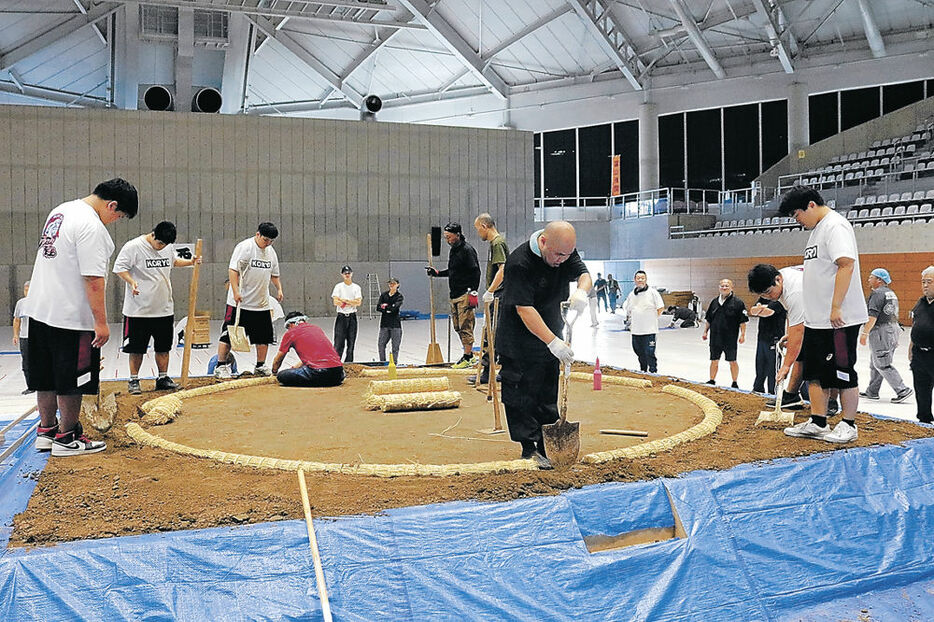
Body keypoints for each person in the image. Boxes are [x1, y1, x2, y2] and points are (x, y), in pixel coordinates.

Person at [23, 178, 138, 456]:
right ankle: (67, 438)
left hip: (38, 309)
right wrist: (100, 323)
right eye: (119, 216)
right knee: (73, 378)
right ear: (112, 205)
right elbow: (93, 279)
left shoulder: (61, 211)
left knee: (46, 376)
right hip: (70, 317)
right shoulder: (92, 227)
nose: (115, 220)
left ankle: (47, 431)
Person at [495, 221, 592, 470]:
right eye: (558, 255)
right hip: (518, 339)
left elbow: (584, 274)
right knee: (521, 395)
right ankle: (529, 447)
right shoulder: (519, 263)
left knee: (546, 391)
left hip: (550, 333)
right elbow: (524, 309)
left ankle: (549, 443)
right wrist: (553, 342)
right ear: (543, 242)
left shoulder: (564, 251)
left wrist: (581, 292)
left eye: (567, 255)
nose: (562, 260)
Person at [777, 185, 868, 443]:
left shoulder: (835, 226)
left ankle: (848, 425)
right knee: (815, 373)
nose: (797, 220)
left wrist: (836, 305)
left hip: (840, 319)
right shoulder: (817, 230)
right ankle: (818, 422)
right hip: (817, 320)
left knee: (841, 371)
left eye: (797, 215)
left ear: (811, 205)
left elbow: (846, 264)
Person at [112, 221, 201, 395]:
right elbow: (119, 268)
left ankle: (162, 378)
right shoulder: (133, 246)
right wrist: (132, 282)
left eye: (165, 245)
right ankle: (134, 379)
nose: (161, 247)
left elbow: (173, 261)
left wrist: (191, 261)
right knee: (137, 348)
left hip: (164, 309)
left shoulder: (167, 247)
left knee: (163, 347)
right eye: (159, 243)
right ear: (152, 234)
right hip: (138, 311)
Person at [215, 222, 283, 379]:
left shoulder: (271, 252)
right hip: (239, 302)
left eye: (271, 241)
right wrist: (236, 291)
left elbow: (274, 274)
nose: (268, 243)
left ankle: (260, 365)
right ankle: (220, 365)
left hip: (261, 303)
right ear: (258, 234)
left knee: (264, 336)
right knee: (229, 333)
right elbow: (233, 270)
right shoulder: (245, 247)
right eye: (266, 240)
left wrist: (279, 289)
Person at [748, 264, 807, 409]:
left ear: (778, 280)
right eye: (762, 295)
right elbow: (793, 317)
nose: (768, 297)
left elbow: (799, 331)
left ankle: (829, 404)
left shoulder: (795, 291)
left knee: (824, 359)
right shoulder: (781, 284)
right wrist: (790, 334)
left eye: (768, 292)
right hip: (816, 307)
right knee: (802, 353)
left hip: (840, 310)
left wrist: (785, 366)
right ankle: (791, 396)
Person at [426, 222, 481, 368]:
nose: (447, 240)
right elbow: (453, 271)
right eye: (445, 237)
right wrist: (437, 273)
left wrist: (473, 292)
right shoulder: (453, 251)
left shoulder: (467, 250)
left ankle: (469, 356)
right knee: (457, 326)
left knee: (465, 325)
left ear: (457, 235)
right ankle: (467, 354)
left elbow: (476, 271)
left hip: (465, 294)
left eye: (449, 237)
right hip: (454, 294)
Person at [860, 268, 912, 403]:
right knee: (875, 361)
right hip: (892, 328)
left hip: (881, 330)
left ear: (879, 280)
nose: (868, 279)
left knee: (882, 363)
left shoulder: (877, 293)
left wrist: (865, 333)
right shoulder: (891, 293)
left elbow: (873, 316)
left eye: (871, 277)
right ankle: (872, 391)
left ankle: (902, 390)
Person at [469, 213, 509, 384]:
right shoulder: (495, 243)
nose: (478, 233)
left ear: (485, 226)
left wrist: (491, 291)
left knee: (491, 333)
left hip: (499, 295)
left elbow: (503, 269)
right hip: (498, 294)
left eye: (478, 229)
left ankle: (488, 371)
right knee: (496, 332)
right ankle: (497, 370)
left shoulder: (498, 243)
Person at [271, 312, 345, 387]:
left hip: (319, 373)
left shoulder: (291, 333)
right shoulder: (316, 328)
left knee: (282, 375)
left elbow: (278, 359)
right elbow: (310, 359)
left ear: (290, 324)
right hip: (338, 374)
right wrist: (293, 368)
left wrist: (274, 373)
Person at [702, 278, 747, 388]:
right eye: (722, 285)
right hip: (715, 337)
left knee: (732, 361)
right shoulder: (714, 302)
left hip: (730, 338)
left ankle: (734, 382)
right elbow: (709, 319)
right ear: (719, 287)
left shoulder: (738, 303)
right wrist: (705, 332)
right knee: (714, 360)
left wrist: (742, 335)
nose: (724, 287)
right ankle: (712, 380)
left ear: (731, 287)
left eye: (727, 285)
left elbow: (743, 321)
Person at [622, 270, 664, 373]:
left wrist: (651, 319)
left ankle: (653, 372)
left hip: (649, 330)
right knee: (639, 352)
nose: (640, 280)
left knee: (650, 352)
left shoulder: (653, 292)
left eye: (642, 278)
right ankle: (643, 371)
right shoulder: (632, 294)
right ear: (634, 280)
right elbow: (627, 308)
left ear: (646, 279)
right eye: (638, 278)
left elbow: (661, 307)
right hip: (636, 330)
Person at [909, 266, 934, 424]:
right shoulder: (920, 302)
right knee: (921, 388)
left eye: (929, 282)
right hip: (919, 355)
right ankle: (924, 419)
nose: (925, 285)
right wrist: (911, 346)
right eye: (923, 282)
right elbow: (916, 325)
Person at [749, 297, 786, 395]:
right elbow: (752, 311)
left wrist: (760, 308)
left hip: (774, 340)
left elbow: (768, 313)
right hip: (762, 338)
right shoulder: (762, 298)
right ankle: (758, 388)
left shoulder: (778, 301)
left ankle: (773, 393)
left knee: (772, 369)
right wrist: (762, 308)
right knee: (760, 365)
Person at [331, 265, 362, 362]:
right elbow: (336, 302)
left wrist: (345, 301)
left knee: (351, 343)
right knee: (339, 343)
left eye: (349, 273)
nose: (347, 275)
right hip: (341, 317)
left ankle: (349, 364)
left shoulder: (356, 287)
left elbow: (358, 302)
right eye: (345, 273)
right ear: (342, 275)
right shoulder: (338, 287)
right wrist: (351, 302)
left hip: (352, 317)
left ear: (352, 274)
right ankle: (336, 364)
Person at [377, 277, 404, 363]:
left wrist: (386, 307)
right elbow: (378, 307)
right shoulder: (384, 295)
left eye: (394, 284)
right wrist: (388, 308)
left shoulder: (399, 296)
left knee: (395, 347)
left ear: (397, 285)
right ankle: (382, 362)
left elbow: (394, 308)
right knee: (381, 344)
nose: (391, 285)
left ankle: (394, 363)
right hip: (384, 324)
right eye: (390, 284)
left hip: (395, 325)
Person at [12, 281, 31, 394]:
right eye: (26, 290)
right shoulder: (20, 304)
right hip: (25, 337)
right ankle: (30, 385)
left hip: (38, 338)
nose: (27, 293)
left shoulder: (39, 302)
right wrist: (16, 335)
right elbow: (17, 320)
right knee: (26, 362)